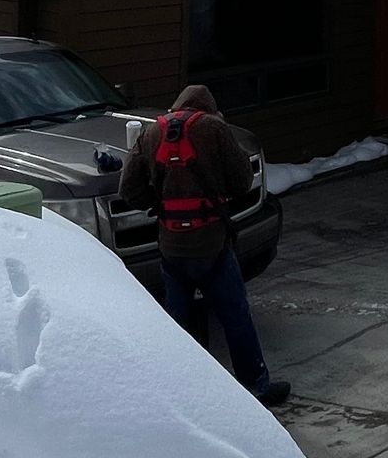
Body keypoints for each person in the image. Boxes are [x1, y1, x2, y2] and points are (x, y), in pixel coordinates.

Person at [119, 84, 291, 409]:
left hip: (170, 246)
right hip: (211, 243)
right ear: (209, 109)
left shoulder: (151, 131)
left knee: (178, 324)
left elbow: (128, 189)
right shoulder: (214, 128)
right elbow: (242, 181)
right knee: (234, 314)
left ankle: (184, 395)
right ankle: (255, 386)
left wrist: (159, 203)